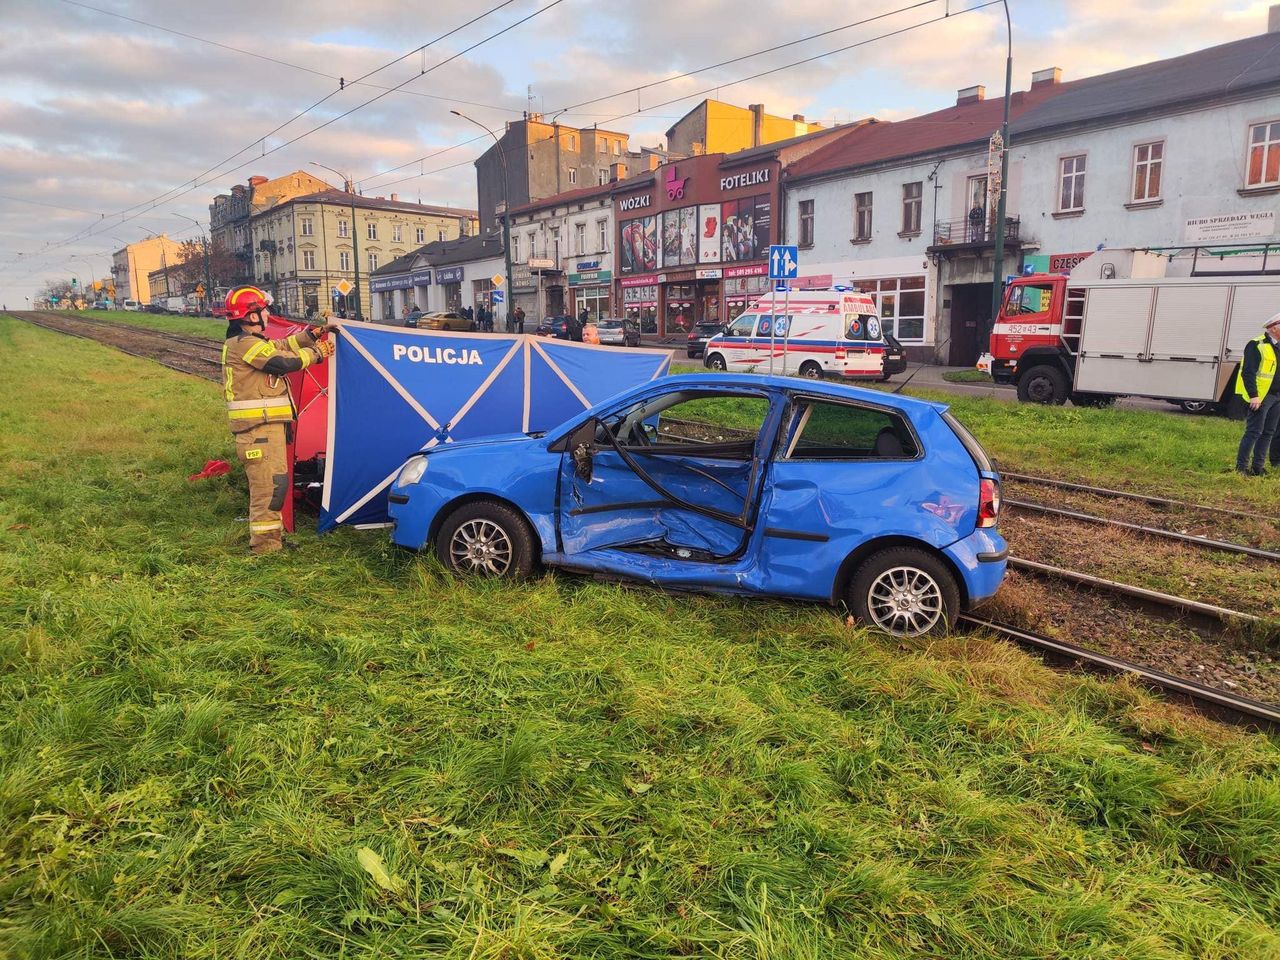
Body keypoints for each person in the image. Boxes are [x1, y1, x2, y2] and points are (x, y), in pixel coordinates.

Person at [221, 286, 334, 555]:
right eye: (263, 310)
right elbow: (282, 362)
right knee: (268, 492)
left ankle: (273, 541)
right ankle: (264, 549)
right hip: (257, 431)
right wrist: (318, 353)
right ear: (250, 316)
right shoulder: (244, 344)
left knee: (276, 487)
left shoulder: (252, 342)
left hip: (265, 429)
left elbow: (283, 346)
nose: (268, 314)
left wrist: (311, 336)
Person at [1234, 312, 1280, 477]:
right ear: (1274, 328)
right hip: (1261, 397)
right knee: (1254, 431)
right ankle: (1241, 468)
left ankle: (1257, 467)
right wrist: (1254, 395)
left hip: (1276, 396)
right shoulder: (1256, 345)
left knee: (1268, 432)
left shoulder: (1278, 346)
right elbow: (1248, 372)